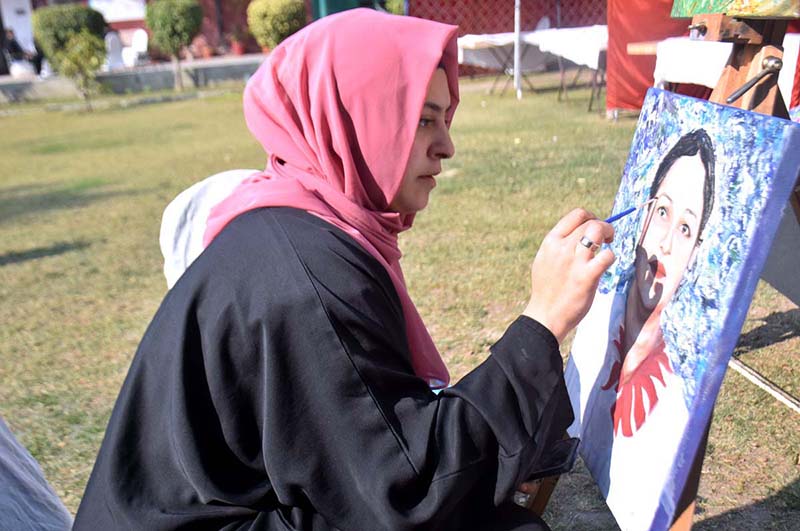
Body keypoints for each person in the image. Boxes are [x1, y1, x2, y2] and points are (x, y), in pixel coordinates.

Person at [74, 9, 614, 530]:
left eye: (444, 118)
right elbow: (407, 492)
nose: (447, 146)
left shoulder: (304, 223)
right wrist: (543, 320)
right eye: (423, 119)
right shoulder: (306, 276)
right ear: (355, 118)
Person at [600, 129, 715, 437]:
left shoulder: (674, 399)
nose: (665, 243)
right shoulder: (599, 322)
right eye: (663, 211)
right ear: (643, 217)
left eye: (686, 229)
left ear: (696, 253)